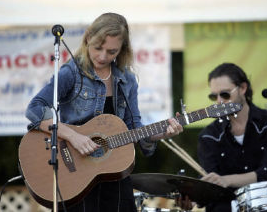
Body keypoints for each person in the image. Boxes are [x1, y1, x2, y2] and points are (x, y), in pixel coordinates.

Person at [25, 13, 183, 212]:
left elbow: (135, 129)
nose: (102, 56)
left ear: (122, 50)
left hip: (115, 173)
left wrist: (162, 133)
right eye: (98, 48)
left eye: (111, 51)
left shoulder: (128, 80)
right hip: (75, 176)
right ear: (88, 38)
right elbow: (34, 109)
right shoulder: (71, 73)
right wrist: (73, 137)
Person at [176, 63, 267, 211]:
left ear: (243, 88)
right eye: (213, 96)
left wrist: (225, 180)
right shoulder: (208, 136)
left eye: (225, 94)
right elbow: (210, 185)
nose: (219, 102)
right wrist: (193, 200)